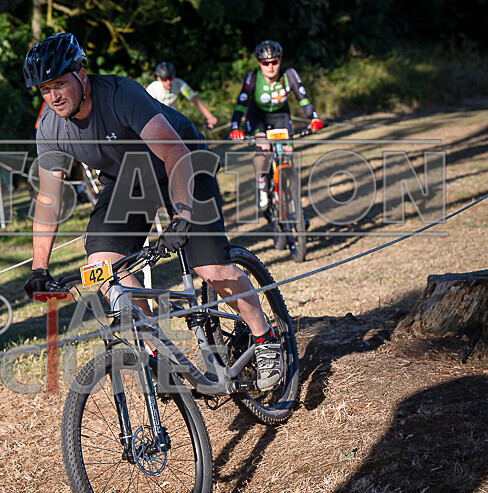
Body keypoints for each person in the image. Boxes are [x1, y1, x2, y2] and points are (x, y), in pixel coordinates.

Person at [22, 33, 284, 390]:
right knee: (101, 268)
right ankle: (162, 354)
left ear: (81, 74)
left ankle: (265, 338)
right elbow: (48, 199)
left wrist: (183, 216)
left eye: (59, 84)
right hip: (129, 178)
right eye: (44, 89)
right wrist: (39, 267)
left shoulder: (120, 94)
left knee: (209, 265)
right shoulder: (50, 128)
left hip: (182, 158)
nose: (53, 96)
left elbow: (174, 153)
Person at [229, 40, 324, 212]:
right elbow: (241, 104)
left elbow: (302, 98)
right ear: (260, 63)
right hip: (257, 117)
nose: (270, 67)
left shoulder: (289, 74)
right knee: (263, 150)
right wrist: (235, 127)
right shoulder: (253, 78)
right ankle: (261, 182)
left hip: (281, 115)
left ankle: (291, 195)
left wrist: (313, 118)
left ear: (280, 60)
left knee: (287, 153)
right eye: (266, 63)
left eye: (275, 62)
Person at [146, 62, 218, 129]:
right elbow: (144, 107)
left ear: (174, 75)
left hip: (173, 119)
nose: (169, 82)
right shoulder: (152, 88)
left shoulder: (179, 83)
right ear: (159, 79)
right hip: (157, 120)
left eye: (170, 78)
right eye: (165, 79)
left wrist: (210, 117)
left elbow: (194, 98)